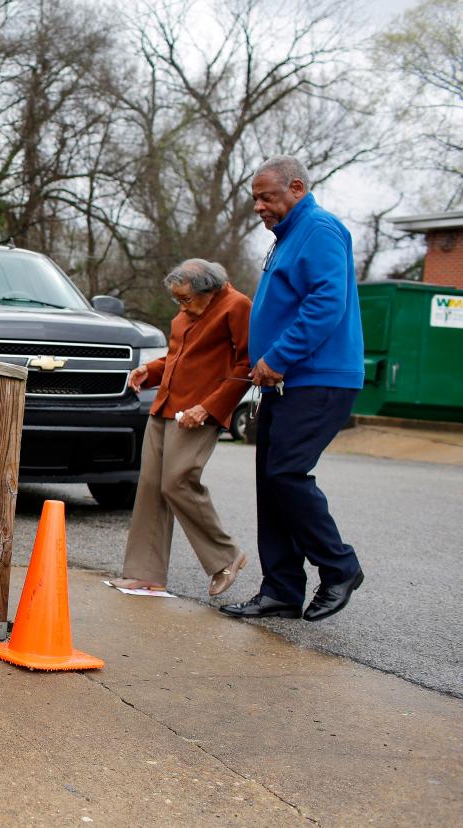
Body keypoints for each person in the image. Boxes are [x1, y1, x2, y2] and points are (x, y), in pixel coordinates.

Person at [220, 156, 365, 622]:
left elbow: (326, 303)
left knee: (286, 474)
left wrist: (277, 358)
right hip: (285, 382)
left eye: (267, 197)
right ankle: (281, 589)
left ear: (297, 188)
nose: (259, 207)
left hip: (319, 378)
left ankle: (340, 567)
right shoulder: (286, 238)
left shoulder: (320, 229)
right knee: (271, 482)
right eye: (255, 199)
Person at [114, 259, 252, 597]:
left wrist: (209, 408)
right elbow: (180, 357)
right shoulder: (189, 311)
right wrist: (150, 371)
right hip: (165, 408)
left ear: (211, 290)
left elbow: (246, 365)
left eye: (186, 299)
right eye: (177, 300)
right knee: (149, 486)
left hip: (199, 411)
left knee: (177, 481)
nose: (181, 306)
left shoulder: (237, 306)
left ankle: (226, 557)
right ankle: (146, 573)